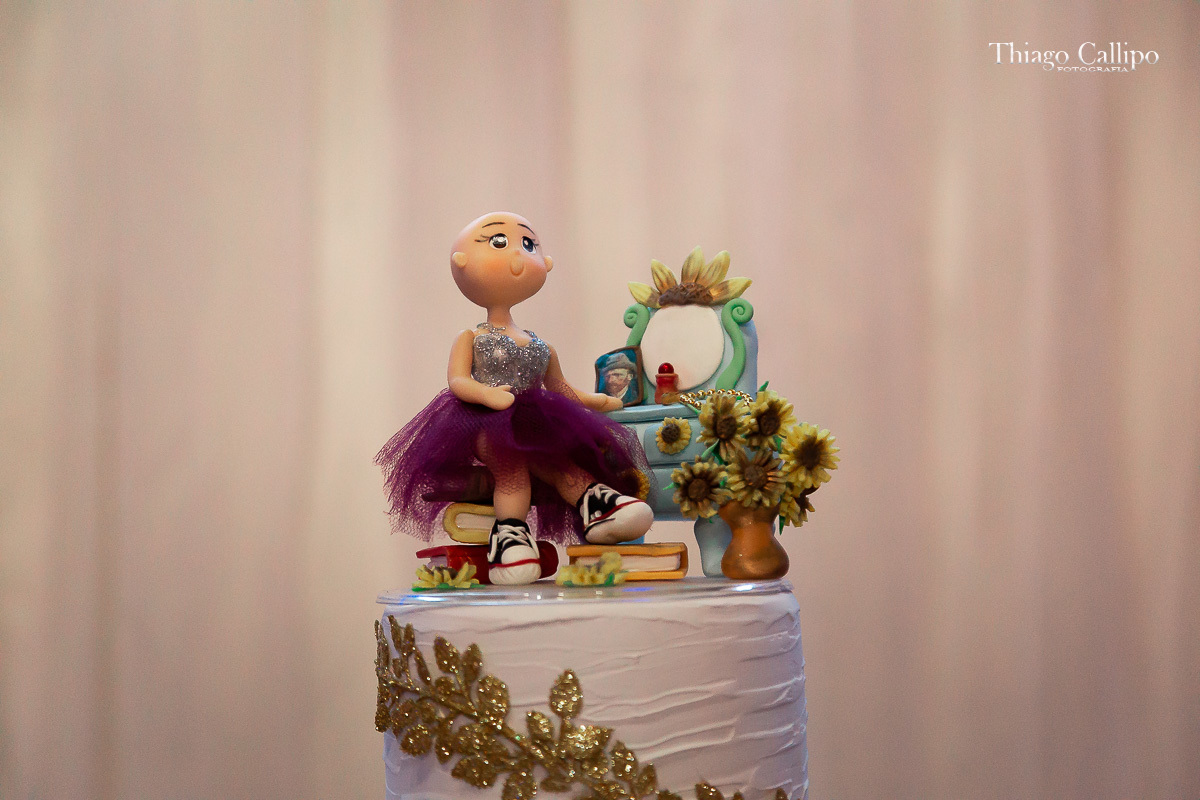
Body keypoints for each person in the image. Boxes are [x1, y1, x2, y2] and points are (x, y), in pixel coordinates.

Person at [376, 212, 654, 584]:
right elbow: (458, 380)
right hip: (489, 421)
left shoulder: (541, 344)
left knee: (559, 461)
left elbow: (560, 388)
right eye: (498, 242)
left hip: (539, 421)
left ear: (546, 263)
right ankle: (509, 535)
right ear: (461, 262)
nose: (519, 254)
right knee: (511, 469)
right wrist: (486, 394)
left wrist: (600, 401)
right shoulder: (471, 337)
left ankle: (597, 504)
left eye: (528, 244)